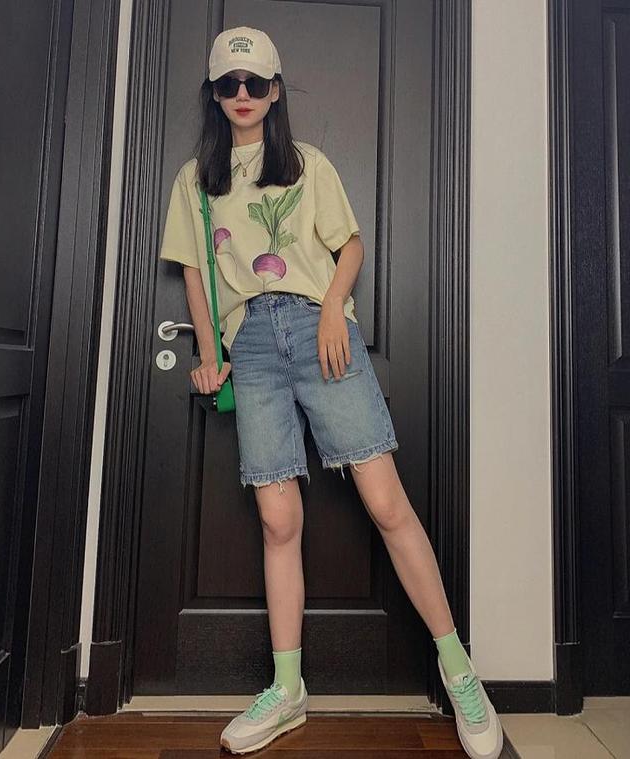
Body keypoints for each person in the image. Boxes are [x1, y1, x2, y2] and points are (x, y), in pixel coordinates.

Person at [159, 25, 503, 759]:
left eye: (255, 83)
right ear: (214, 94)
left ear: (275, 91)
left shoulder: (307, 164)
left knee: (386, 502)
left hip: (322, 332)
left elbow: (350, 245)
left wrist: (330, 309)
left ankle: (460, 670)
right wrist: (210, 354)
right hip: (253, 346)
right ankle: (288, 690)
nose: (243, 95)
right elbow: (194, 271)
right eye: (229, 84)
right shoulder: (195, 181)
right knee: (277, 519)